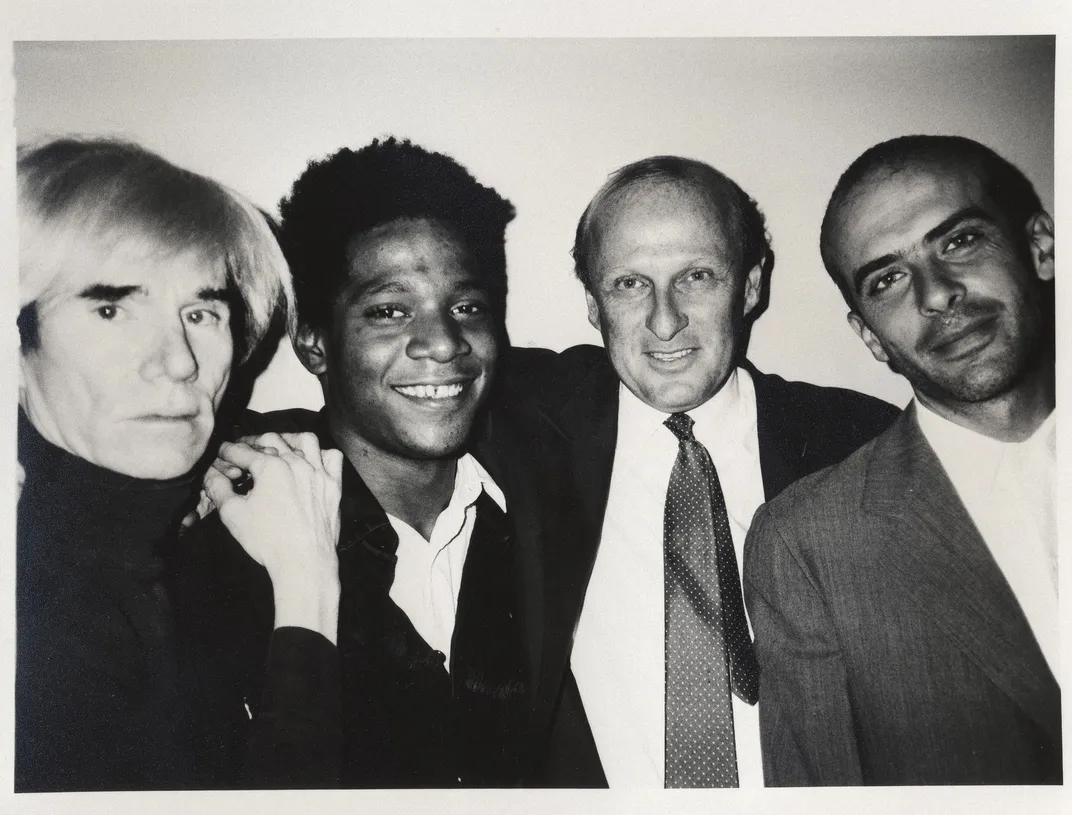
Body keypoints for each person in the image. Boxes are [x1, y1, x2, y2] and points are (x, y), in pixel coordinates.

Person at [169, 137, 588, 788]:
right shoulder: (235, 523)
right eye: (390, 311)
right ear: (314, 342)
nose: (444, 342)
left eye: (468, 306)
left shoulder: (539, 495)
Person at [506, 156, 900, 787]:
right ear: (590, 302)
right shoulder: (523, 420)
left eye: (696, 276)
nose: (666, 321)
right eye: (629, 284)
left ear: (749, 285)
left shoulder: (859, 443)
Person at [743, 135, 1059, 785]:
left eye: (960, 241)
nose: (937, 292)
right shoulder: (808, 543)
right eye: (887, 278)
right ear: (869, 335)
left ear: (1040, 246)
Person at [15, 137, 300, 791]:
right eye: (112, 308)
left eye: (201, 313)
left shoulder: (176, 527)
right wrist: (307, 590)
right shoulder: (41, 606)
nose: (179, 361)